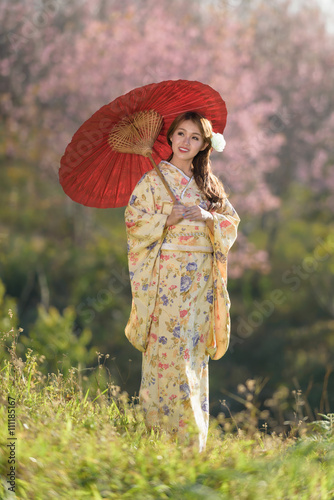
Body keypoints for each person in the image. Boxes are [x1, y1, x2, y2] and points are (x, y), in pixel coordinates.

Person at [124, 111, 239, 451]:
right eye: (180, 134)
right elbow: (133, 223)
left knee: (192, 355)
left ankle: (192, 444)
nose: (186, 142)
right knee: (167, 353)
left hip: (201, 283)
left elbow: (230, 224)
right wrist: (165, 216)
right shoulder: (152, 182)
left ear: (205, 145)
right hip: (167, 280)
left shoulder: (209, 185)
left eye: (195, 137)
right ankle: (159, 439)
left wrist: (208, 217)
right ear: (170, 138)